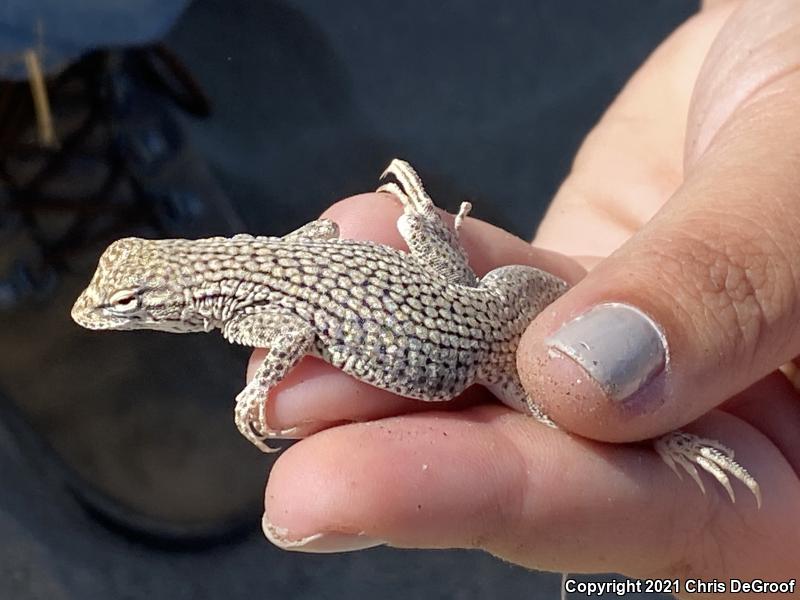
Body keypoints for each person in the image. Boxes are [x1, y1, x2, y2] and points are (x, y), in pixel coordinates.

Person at [253, 0, 799, 594]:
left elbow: (292, 330)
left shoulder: (253, 309)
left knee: (584, 406)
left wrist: (261, 387)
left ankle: (673, 437)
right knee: (581, 390)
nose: (132, 318)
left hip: (476, 344)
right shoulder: (258, 265)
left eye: (132, 307)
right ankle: (433, 232)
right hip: (487, 301)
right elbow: (324, 236)